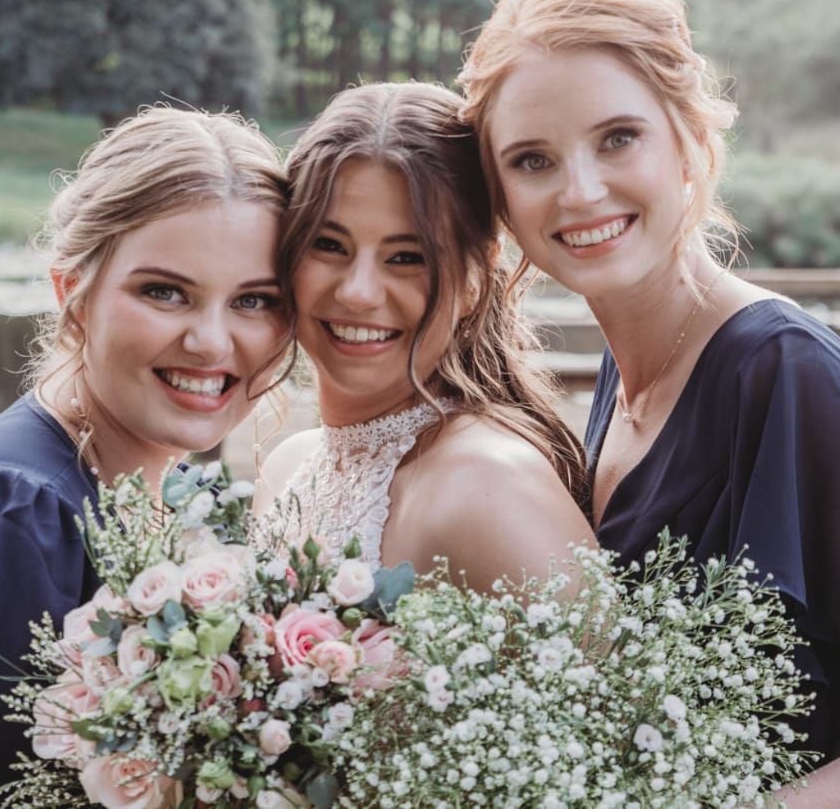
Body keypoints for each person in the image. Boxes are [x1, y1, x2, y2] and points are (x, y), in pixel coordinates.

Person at [457, 0, 840, 804]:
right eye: (532, 159)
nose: (580, 190)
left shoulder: (789, 375)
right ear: (498, 197)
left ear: (690, 137)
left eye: (618, 138)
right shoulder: (623, 375)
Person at [0, 106, 290, 808]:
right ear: (74, 293)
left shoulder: (175, 498)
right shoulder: (3, 517)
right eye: (164, 291)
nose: (213, 343)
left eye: (254, 300)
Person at [252, 82, 593, 593]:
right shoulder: (286, 470)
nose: (359, 292)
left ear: (476, 279)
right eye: (328, 245)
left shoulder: (488, 485)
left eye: (407, 257)